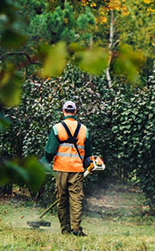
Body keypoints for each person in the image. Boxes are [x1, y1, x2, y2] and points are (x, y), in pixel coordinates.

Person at [44, 101, 92, 236]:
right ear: (75, 112)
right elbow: (88, 153)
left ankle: (65, 230)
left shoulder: (57, 128)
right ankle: (76, 229)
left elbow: (50, 151)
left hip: (61, 169)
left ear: (63, 111)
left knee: (62, 199)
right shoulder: (84, 129)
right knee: (76, 199)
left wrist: (45, 162)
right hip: (77, 169)